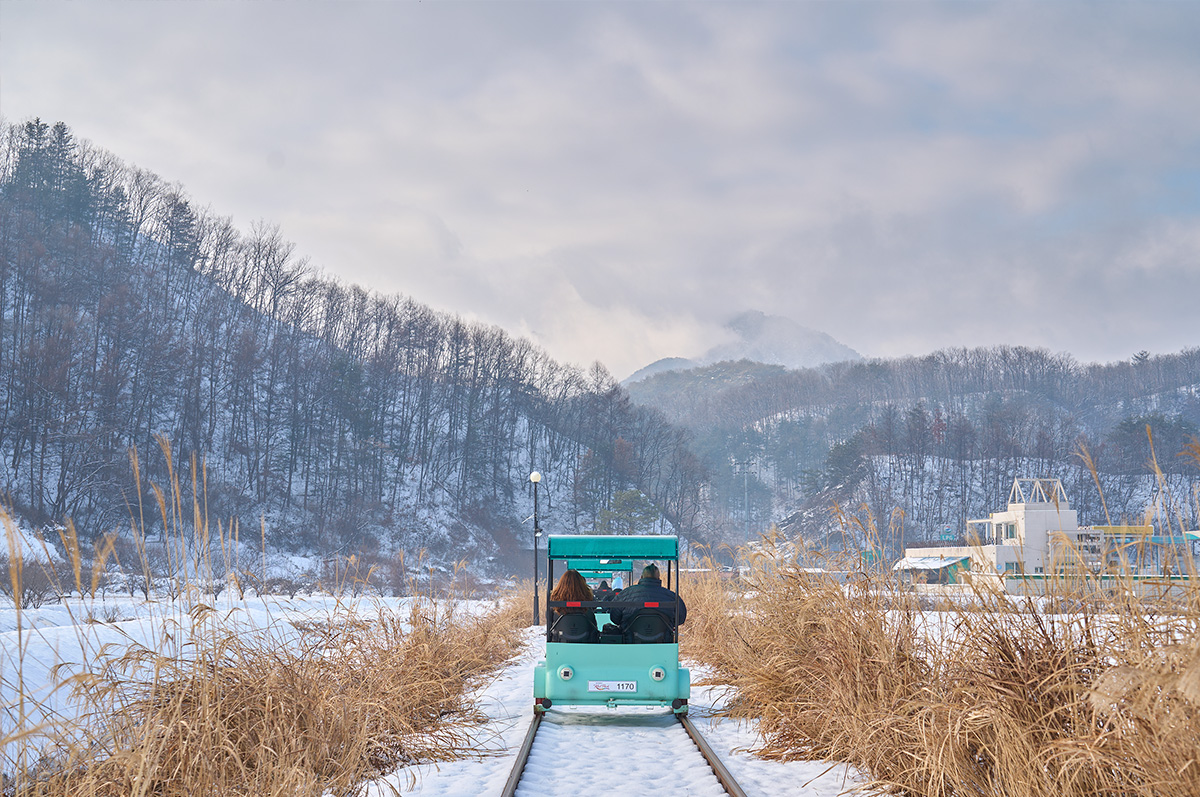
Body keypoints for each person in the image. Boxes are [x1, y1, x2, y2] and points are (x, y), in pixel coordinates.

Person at [609, 563, 686, 634]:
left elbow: (614, 617)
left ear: (641, 577)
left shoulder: (625, 594)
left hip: (630, 641)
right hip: (663, 642)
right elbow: (681, 618)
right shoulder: (672, 597)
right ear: (658, 578)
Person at [549, 569, 598, 642]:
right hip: (587, 643)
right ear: (582, 585)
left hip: (560, 643)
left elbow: (549, 620)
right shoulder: (588, 600)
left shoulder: (555, 602)